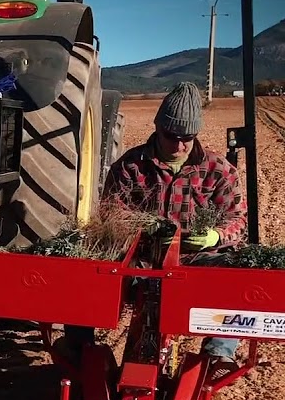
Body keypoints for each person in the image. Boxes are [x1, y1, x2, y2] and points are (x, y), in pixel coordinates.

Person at [60, 81, 248, 370]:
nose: (180, 145)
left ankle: (218, 353)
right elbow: (111, 214)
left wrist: (215, 235)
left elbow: (237, 218)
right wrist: (138, 231)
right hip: (140, 259)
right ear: (158, 127)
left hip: (195, 260)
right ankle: (80, 346)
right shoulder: (131, 166)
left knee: (233, 278)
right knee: (87, 274)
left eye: (188, 137)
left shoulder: (218, 170)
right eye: (171, 136)